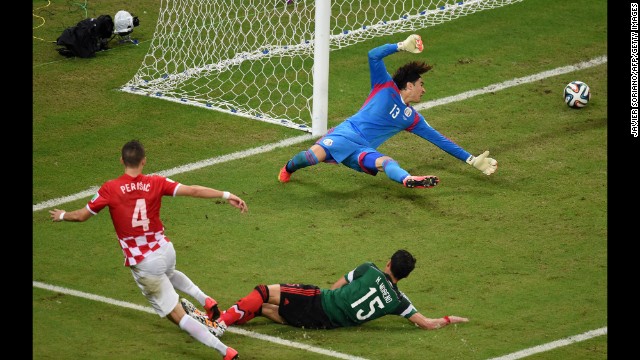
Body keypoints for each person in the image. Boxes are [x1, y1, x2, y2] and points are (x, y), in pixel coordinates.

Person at [49, 140, 247, 360]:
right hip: (165, 249)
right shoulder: (156, 182)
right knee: (169, 273)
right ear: (144, 161)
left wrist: (62, 215)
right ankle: (205, 299)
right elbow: (194, 191)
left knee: (179, 317)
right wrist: (227, 195)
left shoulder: (110, 188)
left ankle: (225, 351)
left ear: (121, 160)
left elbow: (82, 215)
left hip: (144, 263)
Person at [278, 34, 498, 188]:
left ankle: (407, 180)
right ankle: (288, 169)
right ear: (409, 86)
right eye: (421, 85)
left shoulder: (412, 118)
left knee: (386, 162)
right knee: (311, 157)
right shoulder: (384, 85)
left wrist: (471, 160)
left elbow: (440, 140)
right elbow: (373, 55)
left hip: (363, 149)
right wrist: (400, 46)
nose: (424, 90)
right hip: (346, 134)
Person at [181, 249, 468, 336]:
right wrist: (448, 319)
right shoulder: (398, 302)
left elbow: (336, 286)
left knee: (263, 292)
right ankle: (213, 320)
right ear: (404, 275)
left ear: (389, 263)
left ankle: (218, 325)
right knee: (265, 310)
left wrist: (325, 298)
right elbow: (426, 323)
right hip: (322, 324)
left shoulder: (370, 269)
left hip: (319, 302)